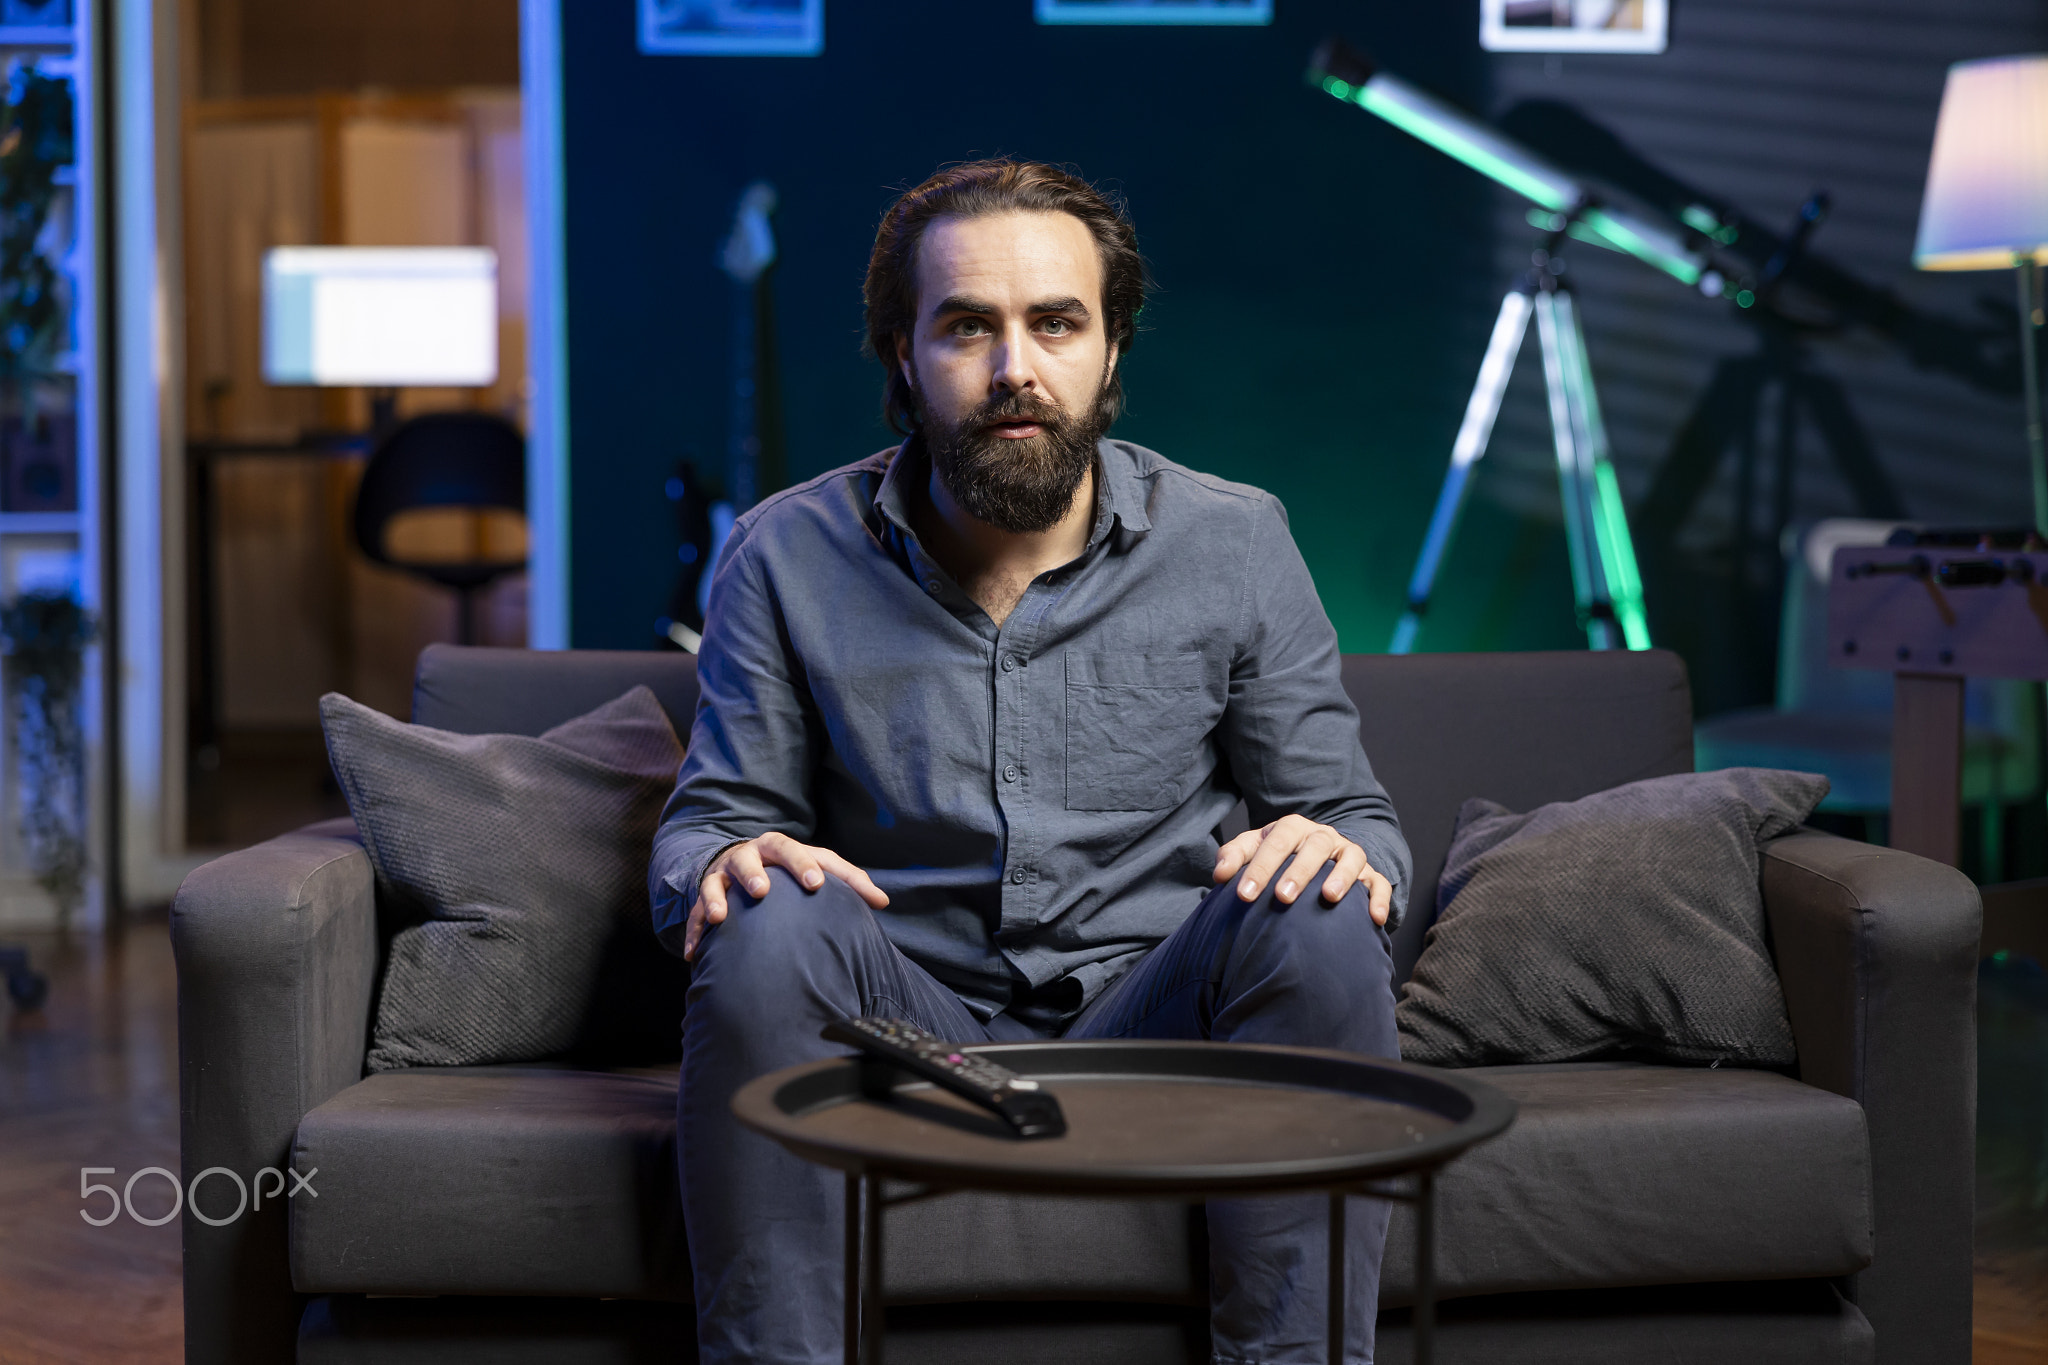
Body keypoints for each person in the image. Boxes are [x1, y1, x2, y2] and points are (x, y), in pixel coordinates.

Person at [649, 158, 1409, 1365]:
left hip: (1160, 1019)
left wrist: (1336, 845)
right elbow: (701, 830)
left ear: (1111, 351)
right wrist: (732, 860)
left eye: (1055, 323)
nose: (1015, 369)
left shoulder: (1237, 540)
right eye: (967, 327)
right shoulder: (781, 555)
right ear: (902, 354)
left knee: (1314, 907)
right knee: (764, 919)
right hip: (905, 1027)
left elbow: (1356, 822)